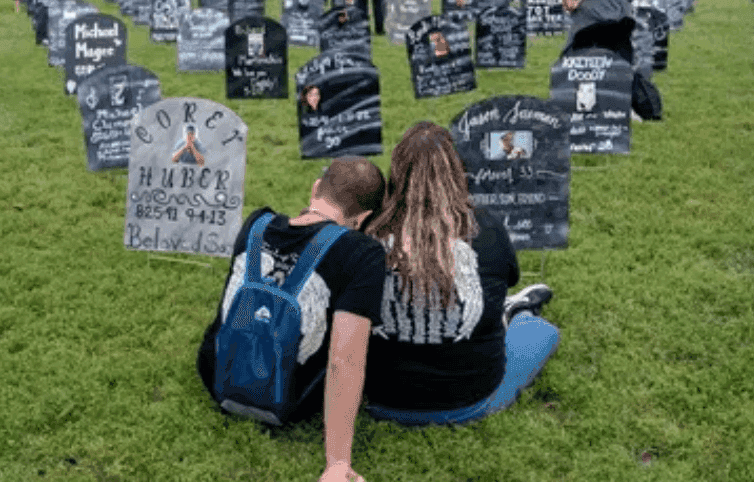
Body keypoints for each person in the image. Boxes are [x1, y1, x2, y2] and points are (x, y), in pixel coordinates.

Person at [197, 158, 387, 482]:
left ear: (316, 188)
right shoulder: (362, 253)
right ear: (364, 218)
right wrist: (337, 463)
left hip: (216, 375)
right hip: (291, 398)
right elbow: (345, 360)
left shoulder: (257, 223)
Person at [362, 122, 559, 425]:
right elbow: (509, 278)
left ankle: (507, 313)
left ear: (397, 173)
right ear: (457, 171)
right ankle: (514, 314)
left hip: (379, 399)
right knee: (540, 330)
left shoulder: (368, 233)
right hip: (471, 402)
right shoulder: (486, 228)